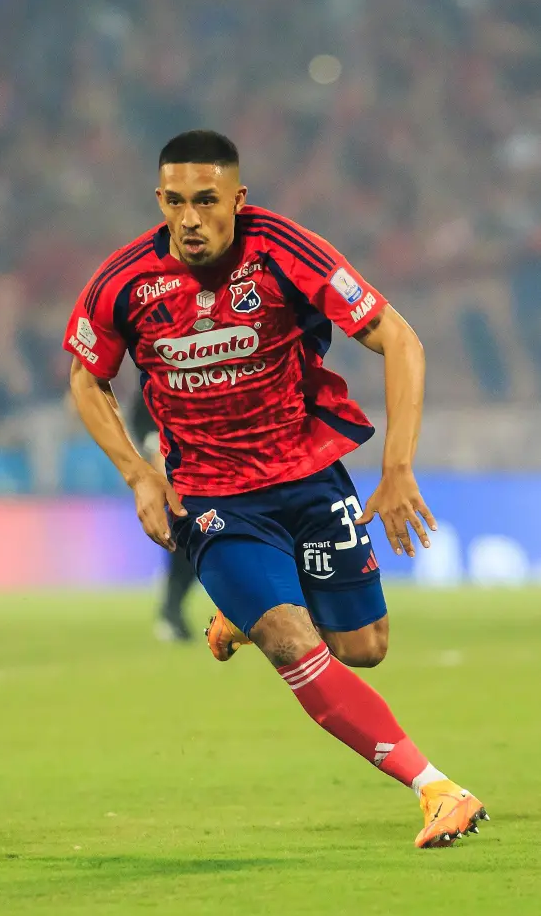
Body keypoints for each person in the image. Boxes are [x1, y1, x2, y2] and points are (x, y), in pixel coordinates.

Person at [63, 131, 487, 849]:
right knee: (292, 640)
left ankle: (243, 617)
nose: (190, 218)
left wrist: (399, 466)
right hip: (212, 499)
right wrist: (138, 474)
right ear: (158, 201)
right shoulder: (124, 281)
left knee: (365, 648)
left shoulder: (284, 250)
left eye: (206, 201)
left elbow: (399, 338)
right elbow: (86, 375)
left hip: (308, 476)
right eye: (175, 202)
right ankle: (437, 789)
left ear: (237, 199)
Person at [128, 390, 198, 641]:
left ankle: (171, 610)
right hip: (177, 470)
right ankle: (170, 611)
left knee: (193, 544)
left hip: (207, 464)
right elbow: (141, 417)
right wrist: (154, 446)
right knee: (186, 540)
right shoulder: (157, 377)